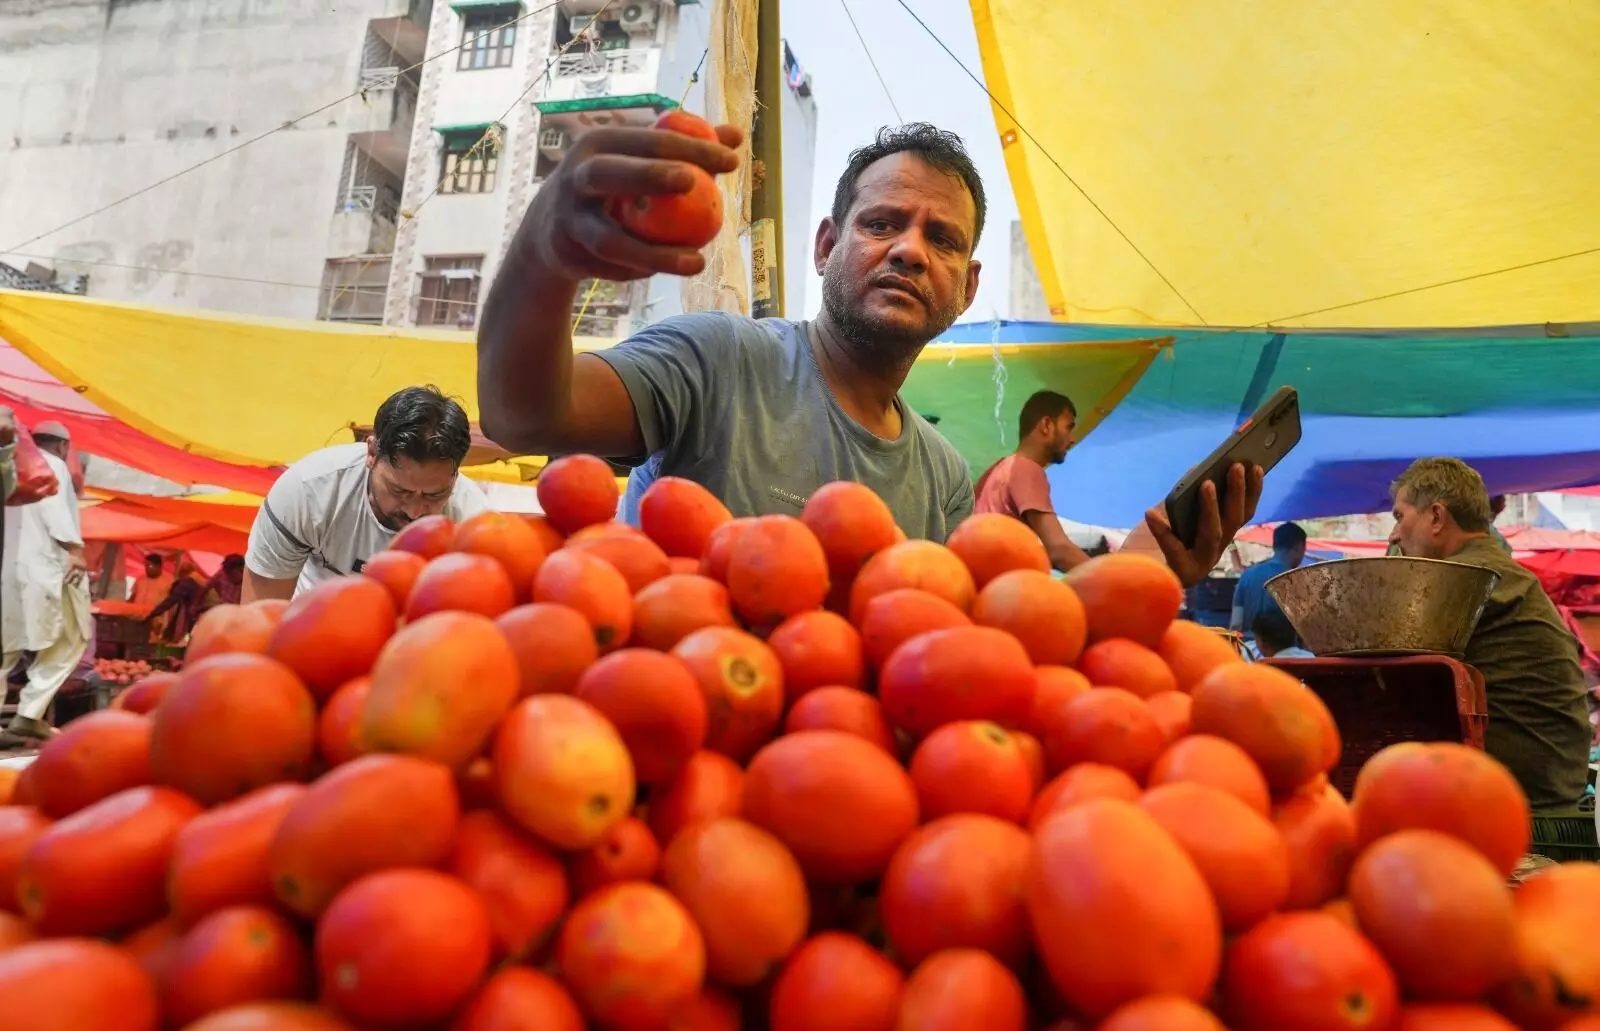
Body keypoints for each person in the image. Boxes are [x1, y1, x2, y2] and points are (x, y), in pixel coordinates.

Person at [475, 121, 1256, 573]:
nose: (911, 250)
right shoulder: (720, 359)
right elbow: (525, 415)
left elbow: (978, 645)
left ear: (969, 286)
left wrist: (1145, 576)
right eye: (882, 223)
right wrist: (545, 256)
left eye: (941, 238)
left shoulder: (943, 478)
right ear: (826, 245)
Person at [1389, 457, 1590, 812]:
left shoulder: (1467, 578)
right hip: (1548, 787)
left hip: (1526, 805)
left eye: (1399, 517)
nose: (1394, 534)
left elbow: (1386, 655)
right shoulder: (1497, 571)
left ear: (1436, 517)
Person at [243, 386, 488, 600]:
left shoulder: (473, 525)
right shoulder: (308, 492)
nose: (414, 512)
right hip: (310, 635)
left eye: (434, 495)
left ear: (456, 473)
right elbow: (260, 615)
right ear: (371, 453)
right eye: (399, 490)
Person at [0, 421, 91, 745]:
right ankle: (28, 714)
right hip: (44, 568)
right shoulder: (51, 465)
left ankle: (25, 717)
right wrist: (75, 551)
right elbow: (56, 513)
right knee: (73, 637)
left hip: (7, 571)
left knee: (5, 648)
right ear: (64, 447)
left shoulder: (8, 465)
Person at [974, 390, 1091, 572]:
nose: (1072, 439)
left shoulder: (998, 468)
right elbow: (1059, 550)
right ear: (1046, 425)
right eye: (1069, 427)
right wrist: (1110, 579)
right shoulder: (1027, 469)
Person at [1231, 522, 1307, 635]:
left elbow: (1236, 624)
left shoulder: (1247, 576)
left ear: (1275, 546)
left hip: (1248, 649)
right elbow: (1305, 628)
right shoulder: (1298, 581)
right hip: (1286, 652)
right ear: (1298, 547)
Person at [130, 553, 175, 634]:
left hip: (155, 621)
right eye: (146, 566)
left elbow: (173, 604)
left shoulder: (169, 581)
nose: (147, 569)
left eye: (150, 566)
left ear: (159, 567)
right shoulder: (140, 578)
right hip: (136, 618)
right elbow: (133, 596)